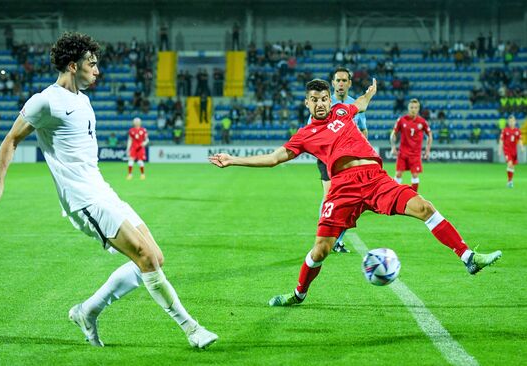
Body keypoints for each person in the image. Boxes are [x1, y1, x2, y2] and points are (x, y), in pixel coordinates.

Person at [0, 32, 217, 349]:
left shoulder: (84, 100)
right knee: (145, 256)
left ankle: (87, 311)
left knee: (154, 257)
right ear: (71, 65)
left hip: (103, 192)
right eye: (91, 64)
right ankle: (191, 329)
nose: (96, 70)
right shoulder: (45, 101)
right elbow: (11, 140)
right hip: (83, 200)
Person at [208, 78, 502, 307]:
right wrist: (233, 159)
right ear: (306, 103)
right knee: (321, 250)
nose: (321, 103)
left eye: (324, 98)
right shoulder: (304, 135)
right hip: (342, 189)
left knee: (424, 207)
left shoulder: (341, 110)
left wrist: (370, 94)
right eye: (314, 100)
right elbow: (274, 158)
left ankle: (468, 257)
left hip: (375, 178)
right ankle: (298, 294)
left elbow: (359, 103)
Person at [312, 67, 368, 254]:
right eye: (338, 80)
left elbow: (363, 130)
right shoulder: (325, 102)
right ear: (333, 83)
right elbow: (311, 128)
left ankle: (338, 240)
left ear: (349, 83)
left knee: (349, 201)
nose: (341, 83)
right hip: (328, 157)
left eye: (345, 80)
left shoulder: (355, 105)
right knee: (330, 196)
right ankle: (322, 237)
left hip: (350, 159)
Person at [390, 99, 433, 192]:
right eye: (412, 107)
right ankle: (395, 195)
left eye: (416, 107)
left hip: (415, 154)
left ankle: (413, 196)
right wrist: (393, 147)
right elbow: (393, 134)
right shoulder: (401, 120)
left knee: (415, 175)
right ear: (408, 108)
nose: (413, 109)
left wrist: (427, 150)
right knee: (398, 174)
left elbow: (430, 135)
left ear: (418, 109)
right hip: (403, 153)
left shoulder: (422, 122)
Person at [499, 115, 525, 188]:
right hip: (507, 150)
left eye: (512, 121)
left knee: (512, 167)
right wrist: (500, 150)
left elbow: (519, 140)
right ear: (508, 122)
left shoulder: (517, 131)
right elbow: (501, 140)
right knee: (510, 164)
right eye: (510, 121)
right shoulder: (505, 130)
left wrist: (522, 147)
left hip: (514, 151)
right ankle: (510, 181)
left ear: (515, 122)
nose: (511, 123)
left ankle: (510, 181)